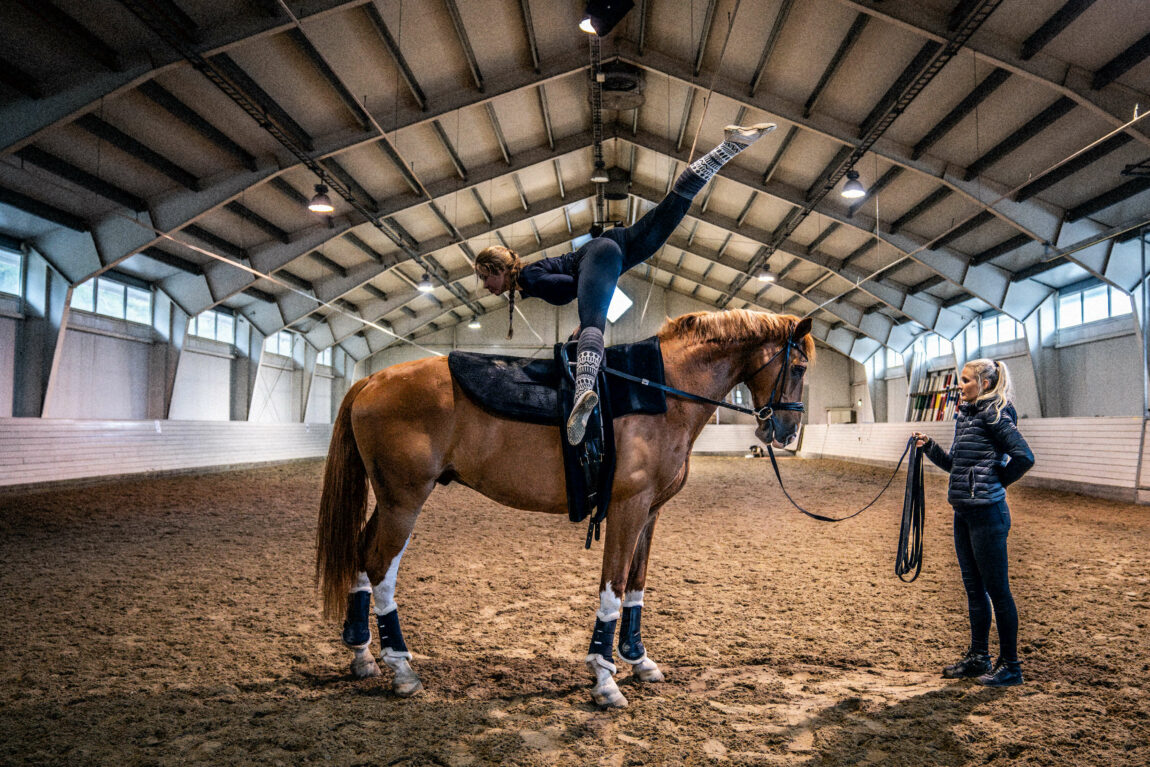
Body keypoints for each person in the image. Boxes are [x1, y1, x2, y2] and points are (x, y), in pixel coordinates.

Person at [474, 123, 777, 445]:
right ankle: (728, 147)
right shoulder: (530, 279)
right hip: (616, 248)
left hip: (600, 253)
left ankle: (583, 393)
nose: (485, 286)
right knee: (674, 206)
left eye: (485, 277)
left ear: (499, 270)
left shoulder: (530, 278)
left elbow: (572, 284)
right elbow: (578, 285)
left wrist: (586, 317)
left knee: (593, 324)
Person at [912, 358, 1034, 687]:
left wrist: (995, 484)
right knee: (974, 589)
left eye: (965, 381)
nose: (959, 386)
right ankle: (979, 656)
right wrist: (930, 448)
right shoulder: (966, 416)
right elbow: (956, 464)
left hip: (988, 515)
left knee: (998, 591)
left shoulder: (995, 414)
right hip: (965, 512)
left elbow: (1024, 456)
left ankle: (1011, 665)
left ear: (984, 384)